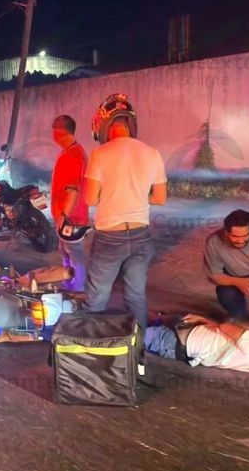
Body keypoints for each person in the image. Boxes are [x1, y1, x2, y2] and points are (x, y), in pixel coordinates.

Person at [83, 94, 167, 335]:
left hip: (110, 237)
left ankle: (92, 347)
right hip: (141, 236)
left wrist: (113, 194)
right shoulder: (152, 153)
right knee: (136, 296)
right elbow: (160, 198)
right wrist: (136, 195)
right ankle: (139, 350)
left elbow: (90, 199)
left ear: (103, 125)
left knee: (97, 297)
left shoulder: (100, 154)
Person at [145, 313, 249, 373]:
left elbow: (226, 327)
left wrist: (204, 320)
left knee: (129, 333)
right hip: (185, 339)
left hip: (175, 342)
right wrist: (203, 320)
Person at [50, 115, 89, 292]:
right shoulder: (70, 152)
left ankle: (78, 289)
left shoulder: (73, 155)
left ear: (60, 132)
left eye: (54, 130)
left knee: (75, 254)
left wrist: (64, 217)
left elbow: (73, 190)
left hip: (71, 218)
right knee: (67, 253)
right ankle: (70, 283)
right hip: (65, 217)